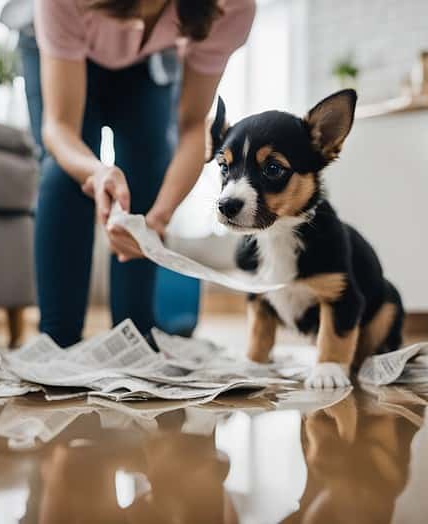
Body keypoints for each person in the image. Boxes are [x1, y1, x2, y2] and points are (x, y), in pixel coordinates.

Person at [23, 0, 255, 346]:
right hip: (58, 47)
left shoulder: (230, 7)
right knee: (65, 178)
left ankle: (135, 333)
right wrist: (96, 172)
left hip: (146, 63)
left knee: (148, 179)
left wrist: (159, 217)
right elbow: (59, 129)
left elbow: (192, 127)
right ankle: (57, 336)